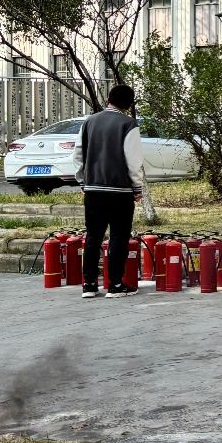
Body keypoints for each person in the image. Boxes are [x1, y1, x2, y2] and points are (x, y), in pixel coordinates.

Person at [73, 84, 145, 299]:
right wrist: (137, 188)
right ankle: (115, 285)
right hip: (120, 191)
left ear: (108, 99)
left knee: (93, 236)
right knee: (118, 237)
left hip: (93, 190)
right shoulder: (128, 124)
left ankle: (89, 284)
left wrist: (83, 182)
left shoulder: (89, 122)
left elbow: (78, 155)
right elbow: (133, 160)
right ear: (129, 104)